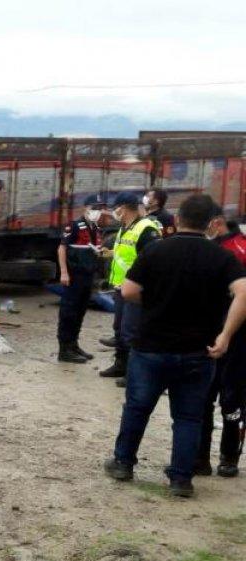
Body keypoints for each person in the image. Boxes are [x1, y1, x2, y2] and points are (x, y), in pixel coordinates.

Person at [104, 195, 246, 497]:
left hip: (151, 347)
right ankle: (181, 479)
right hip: (198, 352)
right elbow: (244, 293)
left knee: (138, 408)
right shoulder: (221, 257)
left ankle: (123, 463)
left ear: (178, 219)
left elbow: (128, 291)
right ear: (211, 224)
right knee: (188, 417)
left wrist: (155, 302)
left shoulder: (157, 251)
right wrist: (225, 335)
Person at [198, 216, 246, 477]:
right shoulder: (208, 249)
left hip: (237, 337)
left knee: (231, 398)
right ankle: (200, 457)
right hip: (209, 332)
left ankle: (229, 455)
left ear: (216, 222)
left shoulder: (240, 247)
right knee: (203, 396)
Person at [101, 192, 161, 379]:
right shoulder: (125, 227)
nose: (114, 211)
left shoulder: (147, 229)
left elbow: (153, 261)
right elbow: (127, 254)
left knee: (131, 332)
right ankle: (120, 364)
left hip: (136, 290)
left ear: (124, 208)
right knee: (119, 329)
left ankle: (134, 374)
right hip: (121, 287)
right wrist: (110, 253)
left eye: (116, 208)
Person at [57, 195, 105, 363]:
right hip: (74, 276)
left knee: (80, 312)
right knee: (69, 312)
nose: (97, 211)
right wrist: (64, 272)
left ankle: (73, 344)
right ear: (85, 208)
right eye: (94, 208)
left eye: (100, 208)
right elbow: (62, 248)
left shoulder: (96, 228)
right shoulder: (75, 226)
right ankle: (64, 350)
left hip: (88, 276)